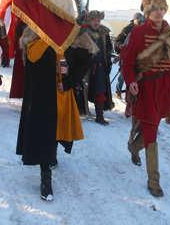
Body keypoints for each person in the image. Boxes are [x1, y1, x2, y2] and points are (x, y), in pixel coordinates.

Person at [121, 0, 170, 197]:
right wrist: (131, 81)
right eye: (155, 9)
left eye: (162, 9)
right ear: (148, 11)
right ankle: (154, 181)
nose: (159, 12)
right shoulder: (139, 33)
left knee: (154, 125)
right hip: (146, 86)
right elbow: (128, 62)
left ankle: (134, 147)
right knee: (151, 131)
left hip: (165, 86)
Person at [16, 26, 96, 201]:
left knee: (57, 130)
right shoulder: (35, 31)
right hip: (42, 95)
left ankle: (52, 154)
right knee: (46, 133)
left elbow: (86, 60)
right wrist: (47, 36)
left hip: (62, 94)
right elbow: (32, 56)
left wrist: (69, 82)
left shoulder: (72, 32)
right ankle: (46, 180)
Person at [79, 10, 115, 125]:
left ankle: (99, 116)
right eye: (94, 20)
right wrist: (80, 27)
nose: (96, 22)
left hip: (99, 67)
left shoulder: (104, 31)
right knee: (81, 90)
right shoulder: (83, 30)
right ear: (89, 20)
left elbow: (108, 50)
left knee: (100, 91)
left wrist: (108, 64)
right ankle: (79, 112)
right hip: (84, 67)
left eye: (98, 20)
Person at [114, 12, 143, 99]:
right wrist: (123, 48)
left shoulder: (142, 29)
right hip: (126, 54)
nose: (139, 21)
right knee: (123, 73)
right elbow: (118, 41)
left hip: (138, 56)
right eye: (138, 20)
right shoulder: (127, 29)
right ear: (134, 20)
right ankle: (118, 91)